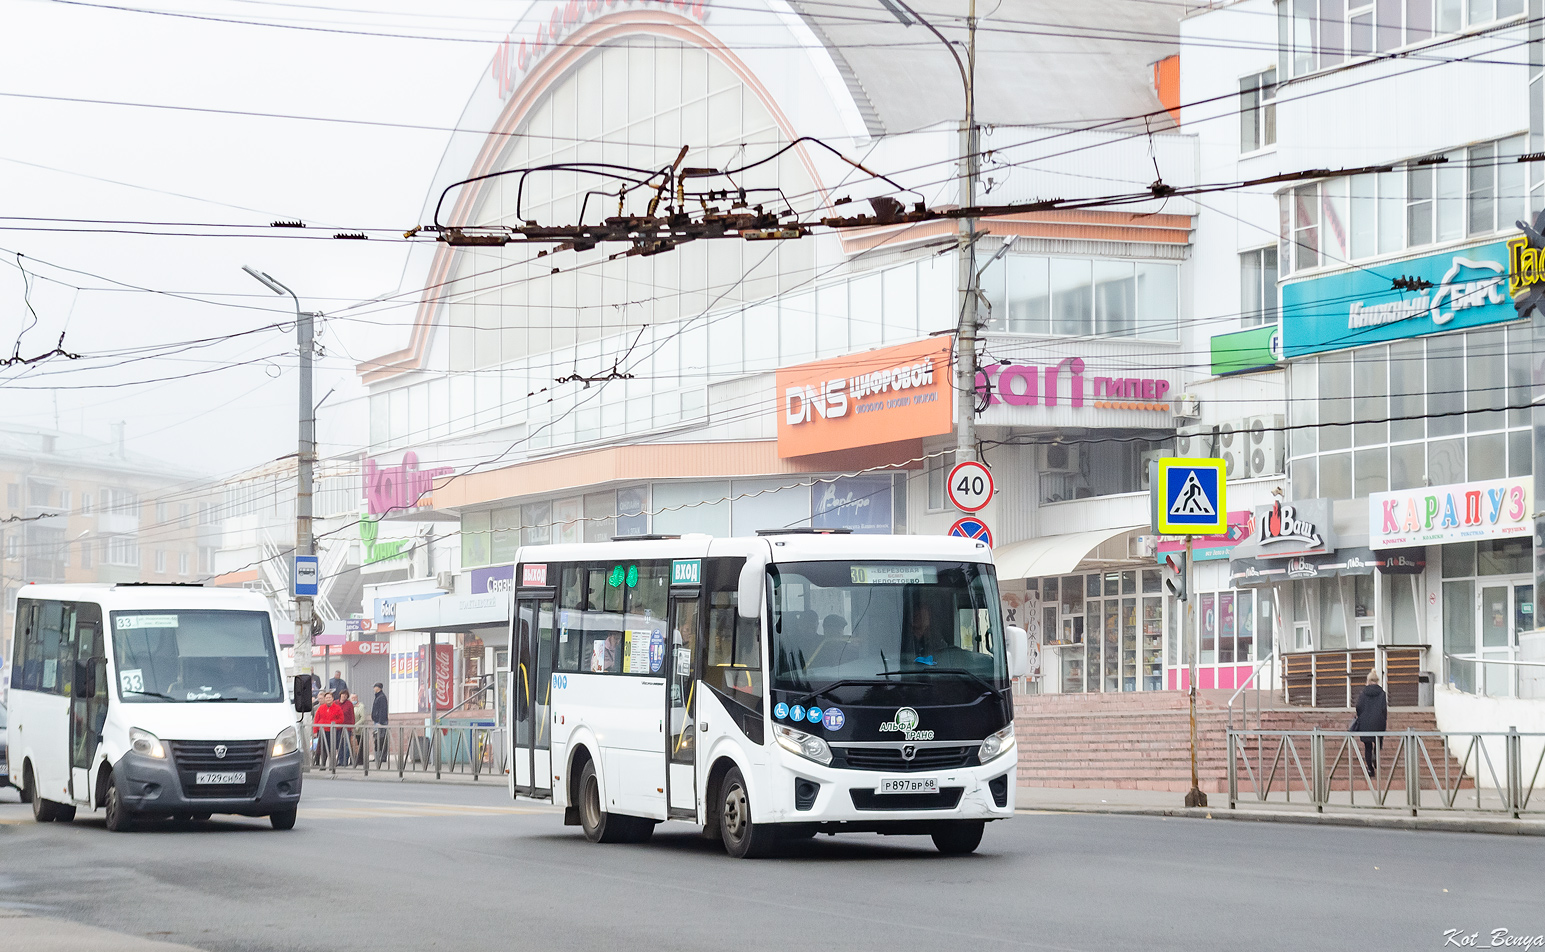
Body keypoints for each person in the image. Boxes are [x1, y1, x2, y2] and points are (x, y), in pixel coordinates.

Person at [1351, 669, 1388, 770]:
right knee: (1378, 741)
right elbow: (1384, 709)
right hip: (1378, 721)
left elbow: (1358, 706)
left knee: (1368, 746)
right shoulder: (1382, 693)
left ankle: (1370, 769)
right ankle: (1375, 755)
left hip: (1365, 722)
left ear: (1368, 681)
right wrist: (1383, 719)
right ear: (1377, 681)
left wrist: (1361, 716)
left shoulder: (1363, 693)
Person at [371, 682, 389, 766]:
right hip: (377, 721)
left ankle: (382, 756)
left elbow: (382, 710)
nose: (374, 688)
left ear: (378, 688)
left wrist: (380, 722)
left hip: (380, 722)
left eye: (375, 687)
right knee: (377, 739)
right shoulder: (378, 696)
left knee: (381, 739)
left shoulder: (381, 697)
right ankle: (378, 756)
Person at [335, 692, 356, 766]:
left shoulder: (349, 704)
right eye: (343, 695)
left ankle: (345, 760)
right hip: (338, 727)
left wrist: (352, 726)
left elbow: (352, 715)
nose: (344, 696)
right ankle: (340, 760)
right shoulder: (336, 703)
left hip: (347, 727)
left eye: (345, 695)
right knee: (339, 744)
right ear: (340, 695)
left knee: (346, 744)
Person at [349, 693, 367, 763]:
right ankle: (352, 760)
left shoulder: (361, 706)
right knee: (351, 745)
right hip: (350, 729)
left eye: (355, 698)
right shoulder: (349, 706)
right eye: (352, 698)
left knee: (359, 745)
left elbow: (363, 718)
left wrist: (355, 725)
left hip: (359, 730)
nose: (354, 699)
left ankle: (360, 760)